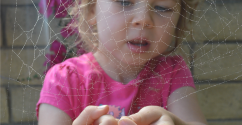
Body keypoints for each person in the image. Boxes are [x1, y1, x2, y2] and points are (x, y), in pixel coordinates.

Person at [36, 0, 207, 125]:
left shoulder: (173, 71)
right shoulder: (63, 79)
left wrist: (174, 122)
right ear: (91, 10)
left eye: (162, 7)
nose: (143, 19)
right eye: (124, 2)